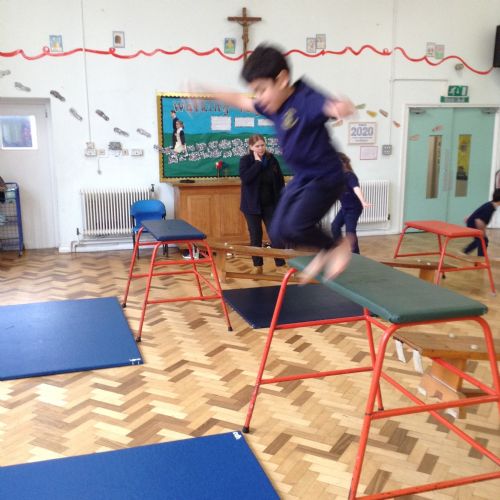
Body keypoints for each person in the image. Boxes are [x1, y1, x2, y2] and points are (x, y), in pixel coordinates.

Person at [207, 43, 355, 282]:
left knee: (296, 227)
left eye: (261, 89)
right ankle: (324, 250)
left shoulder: (306, 99)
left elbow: (329, 106)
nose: (258, 98)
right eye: (255, 91)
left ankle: (338, 246)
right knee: (277, 231)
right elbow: (240, 100)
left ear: (282, 79)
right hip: (303, 177)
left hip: (325, 177)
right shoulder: (273, 106)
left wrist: (341, 107)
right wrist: (209, 92)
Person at [240, 134, 286, 273]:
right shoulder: (246, 160)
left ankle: (280, 264)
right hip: (251, 205)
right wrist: (258, 163)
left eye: (262, 145)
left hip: (270, 204)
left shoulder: (272, 160)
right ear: (251, 147)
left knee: (275, 234)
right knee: (256, 235)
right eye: (257, 146)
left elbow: (279, 181)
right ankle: (257, 266)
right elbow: (246, 178)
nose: (261, 148)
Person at [331, 153, 371, 254]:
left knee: (350, 231)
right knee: (335, 226)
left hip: (354, 208)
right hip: (345, 207)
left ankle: (355, 255)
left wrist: (363, 201)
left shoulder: (350, 176)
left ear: (343, 163)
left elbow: (356, 188)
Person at [462, 188, 500, 256]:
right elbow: (479, 221)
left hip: (472, 222)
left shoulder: (490, 204)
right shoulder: (490, 208)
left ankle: (466, 251)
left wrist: (470, 217)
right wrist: (483, 233)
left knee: (480, 240)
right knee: (483, 240)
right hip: (474, 224)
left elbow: (479, 212)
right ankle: (481, 258)